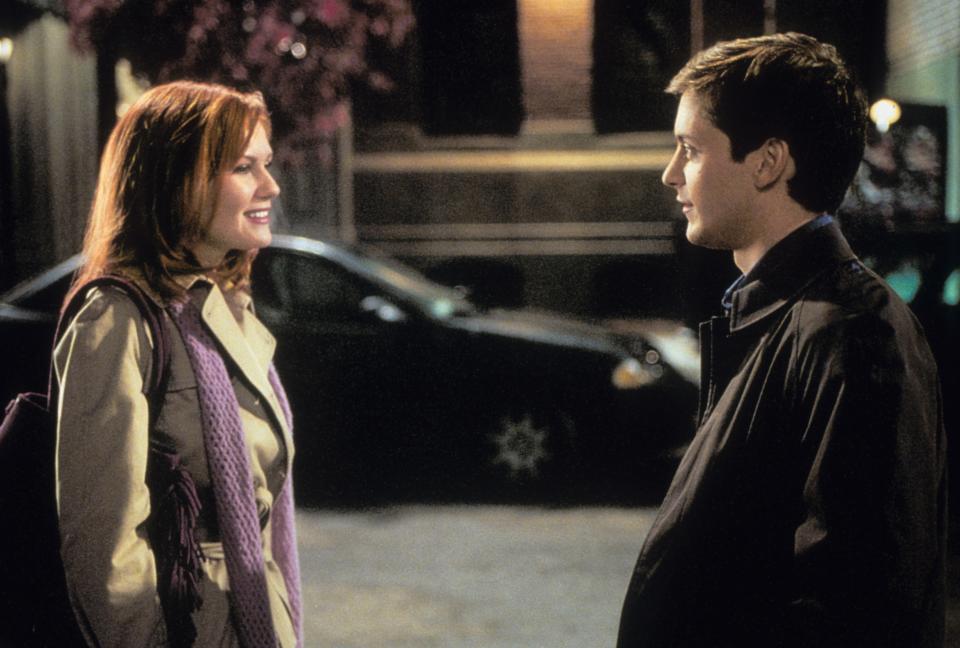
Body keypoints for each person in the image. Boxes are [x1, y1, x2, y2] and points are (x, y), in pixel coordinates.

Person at [617, 33, 946, 647]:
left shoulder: (852, 335)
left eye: (689, 149)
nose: (670, 174)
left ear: (768, 162)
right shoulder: (788, 315)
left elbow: (858, 606)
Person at [54, 80, 302, 647]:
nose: (271, 185)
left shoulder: (218, 305)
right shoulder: (117, 318)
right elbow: (104, 554)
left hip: (250, 615)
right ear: (178, 181)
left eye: (266, 163)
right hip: (190, 627)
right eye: (244, 167)